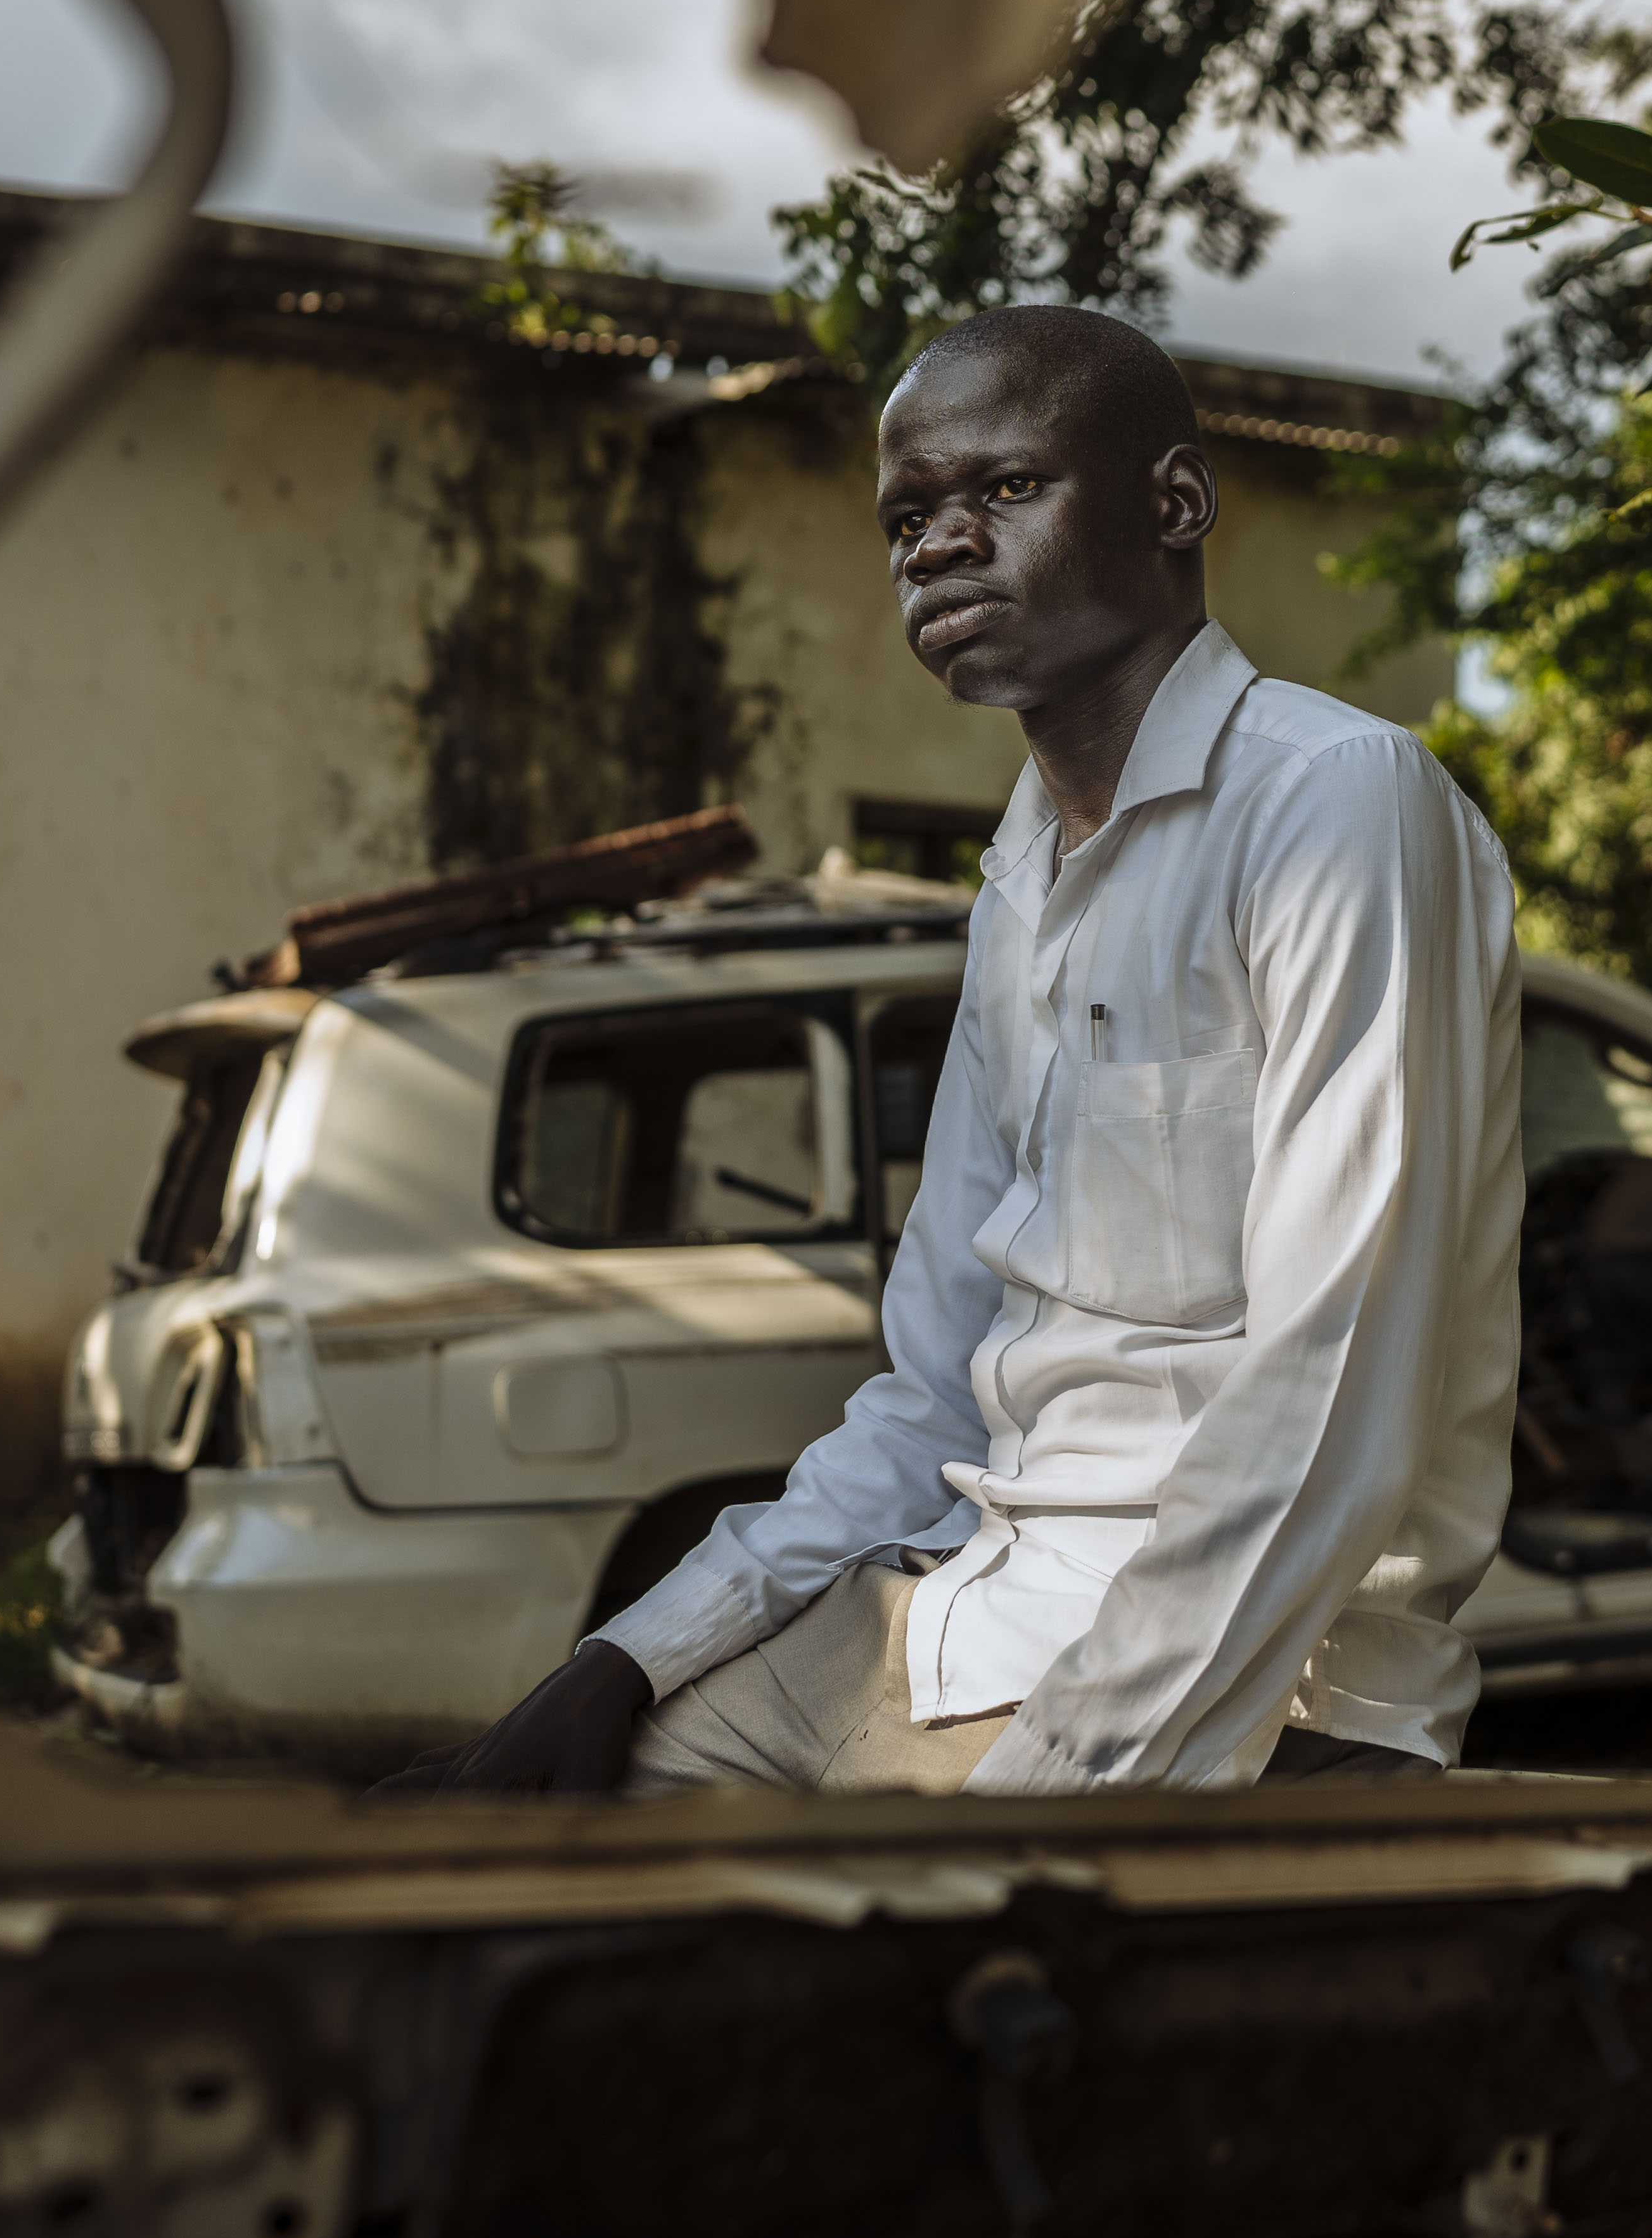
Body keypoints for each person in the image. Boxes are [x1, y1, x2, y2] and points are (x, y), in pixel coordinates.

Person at [381, 303, 1520, 1798]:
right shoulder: (1018, 878)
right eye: (908, 515)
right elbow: (935, 1388)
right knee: (513, 1842)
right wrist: (627, 1658)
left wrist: (1042, 1805)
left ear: (1174, 503)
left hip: (1244, 1695)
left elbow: (1331, 1398)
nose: (936, 544)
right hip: (955, 1620)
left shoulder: (1335, 801)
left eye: (1004, 489)